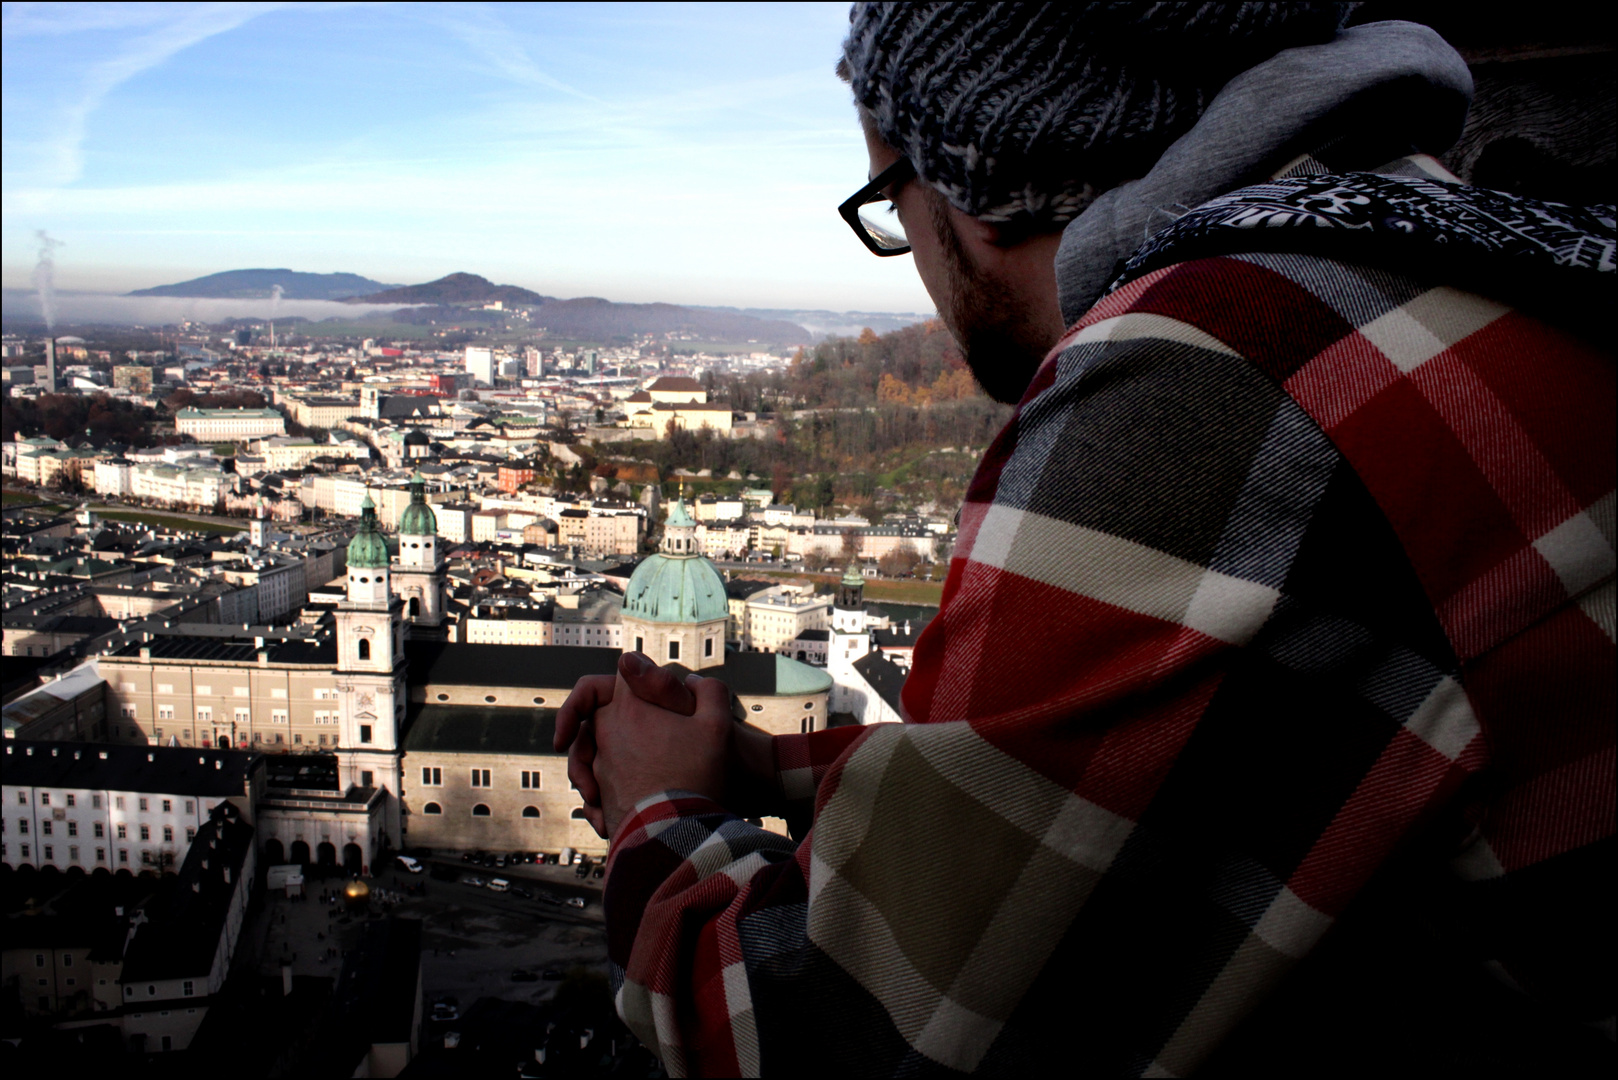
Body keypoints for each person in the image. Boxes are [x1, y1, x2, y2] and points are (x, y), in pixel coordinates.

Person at [557, 5, 1614, 1076]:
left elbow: (830, 1035)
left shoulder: (1214, 370)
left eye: (889, 201)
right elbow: (1234, 754)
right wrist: (766, 768)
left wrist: (662, 809)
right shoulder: (1473, 256)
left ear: (978, 188)